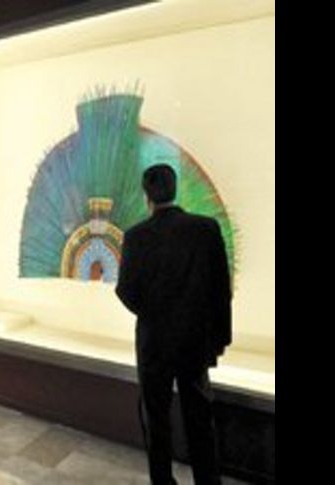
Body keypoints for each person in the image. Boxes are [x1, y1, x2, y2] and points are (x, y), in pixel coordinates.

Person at [115, 164, 232, 485]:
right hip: (194, 341)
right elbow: (221, 290)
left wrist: (153, 313)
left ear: (147, 197)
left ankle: (163, 481)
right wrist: (219, 339)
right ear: (175, 188)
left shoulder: (136, 237)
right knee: (200, 419)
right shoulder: (206, 230)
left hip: (154, 344)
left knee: (156, 419)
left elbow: (126, 291)